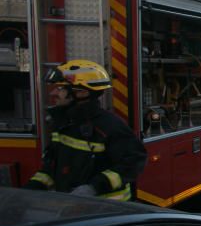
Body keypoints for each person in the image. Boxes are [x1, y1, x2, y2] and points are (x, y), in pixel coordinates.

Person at [25, 59, 146, 200]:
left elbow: (134, 161)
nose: (53, 93)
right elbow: (53, 166)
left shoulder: (110, 126)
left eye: (60, 89)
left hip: (107, 211)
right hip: (74, 207)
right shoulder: (65, 124)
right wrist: (32, 188)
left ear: (81, 93)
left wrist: (94, 187)